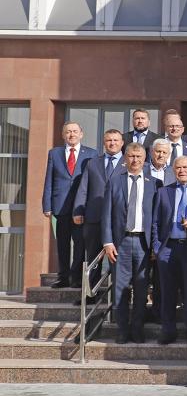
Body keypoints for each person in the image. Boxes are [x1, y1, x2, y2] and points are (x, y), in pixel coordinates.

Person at [102, 143, 160, 344]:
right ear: (125, 158)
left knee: (142, 288)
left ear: (145, 159)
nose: (135, 160)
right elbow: (106, 214)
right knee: (120, 287)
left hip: (144, 243)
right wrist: (107, 242)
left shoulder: (155, 184)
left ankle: (137, 329)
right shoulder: (115, 181)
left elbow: (157, 218)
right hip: (122, 242)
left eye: (139, 156)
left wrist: (155, 245)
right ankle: (122, 330)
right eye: (131, 156)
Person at [151, 156, 187, 345]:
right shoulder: (164, 191)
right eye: (178, 168)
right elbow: (155, 221)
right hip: (167, 247)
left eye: (185, 167)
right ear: (173, 170)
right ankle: (168, 330)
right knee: (167, 291)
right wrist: (157, 247)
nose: (182, 171)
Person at [43, 122, 96, 287]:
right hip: (60, 206)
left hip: (81, 208)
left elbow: (93, 182)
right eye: (68, 132)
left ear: (81, 134)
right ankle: (63, 277)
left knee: (80, 244)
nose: (71, 134)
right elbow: (49, 180)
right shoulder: (54, 153)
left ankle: (77, 278)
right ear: (63, 135)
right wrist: (47, 205)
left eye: (75, 131)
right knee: (62, 244)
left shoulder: (91, 154)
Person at [74, 129, 126, 288]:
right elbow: (84, 188)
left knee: (119, 258)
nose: (112, 143)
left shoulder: (129, 163)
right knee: (93, 258)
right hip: (94, 217)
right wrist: (78, 210)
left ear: (122, 143)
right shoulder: (93, 162)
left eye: (116, 140)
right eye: (109, 140)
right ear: (104, 143)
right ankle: (91, 295)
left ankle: (117, 295)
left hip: (119, 219)